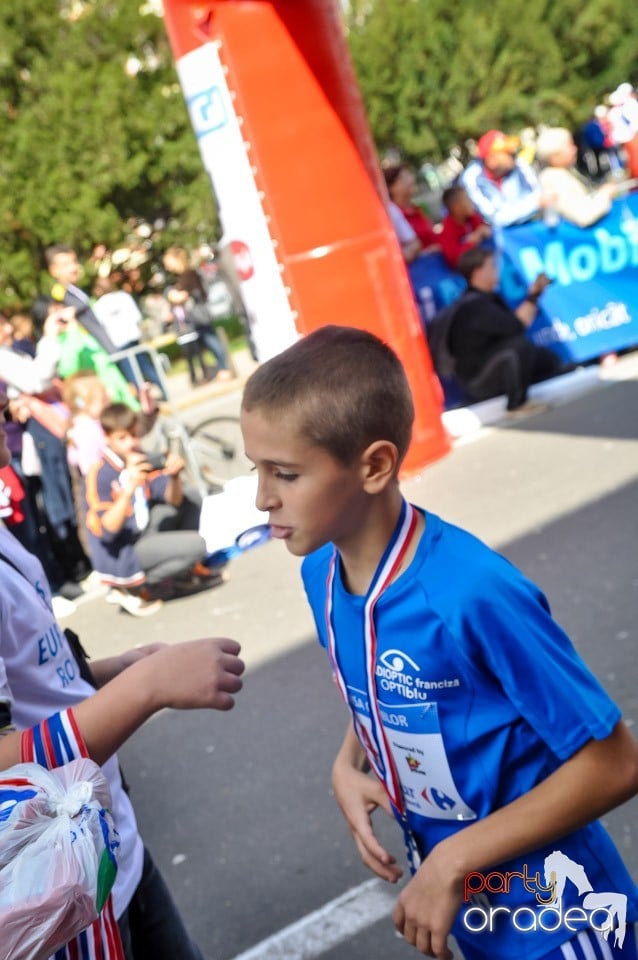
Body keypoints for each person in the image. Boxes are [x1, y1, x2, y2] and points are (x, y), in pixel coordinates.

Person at [240, 325, 638, 960]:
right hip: (467, 910)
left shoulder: (471, 592)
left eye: (284, 474)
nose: (262, 498)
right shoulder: (320, 571)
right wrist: (349, 763)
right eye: (255, 469)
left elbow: (615, 763)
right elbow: (381, 675)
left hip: (559, 922)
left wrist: (453, 859)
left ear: (373, 466)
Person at [0, 387, 245, 959]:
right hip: (53, 890)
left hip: (106, 846)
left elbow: (35, 672)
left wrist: (117, 669)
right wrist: (146, 688)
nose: (13, 418)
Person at [84, 402, 214, 615]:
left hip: (143, 530)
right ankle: (135, 587)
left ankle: (181, 572)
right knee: (199, 546)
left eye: (134, 435)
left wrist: (173, 476)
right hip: (123, 549)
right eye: (122, 438)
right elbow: (107, 532)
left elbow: (174, 501)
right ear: (107, 438)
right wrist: (129, 487)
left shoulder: (141, 457)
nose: (131, 443)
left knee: (190, 496)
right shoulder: (100, 473)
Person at [447, 247, 567, 415]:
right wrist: (534, 295)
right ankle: (517, 404)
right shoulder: (474, 306)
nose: (496, 270)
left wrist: (534, 295)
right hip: (477, 381)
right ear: (478, 272)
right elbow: (517, 325)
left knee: (545, 358)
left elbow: (514, 324)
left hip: (494, 365)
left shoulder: (488, 298)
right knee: (518, 348)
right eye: (492, 266)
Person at [162, 247, 232, 385]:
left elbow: (183, 296)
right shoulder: (184, 275)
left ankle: (224, 367)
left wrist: (170, 295)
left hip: (198, 314)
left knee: (210, 339)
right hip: (195, 316)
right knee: (205, 341)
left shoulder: (188, 274)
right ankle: (217, 368)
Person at [92, 275, 164, 393]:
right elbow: (136, 317)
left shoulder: (98, 306)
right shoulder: (123, 297)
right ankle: (163, 391)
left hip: (118, 343)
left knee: (132, 375)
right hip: (132, 337)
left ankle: (143, 401)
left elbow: (101, 327)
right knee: (146, 367)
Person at [460, 129, 546, 228]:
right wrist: (534, 205)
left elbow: (539, 194)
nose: (513, 154)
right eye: (507, 152)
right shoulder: (471, 178)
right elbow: (495, 219)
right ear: (491, 160)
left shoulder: (519, 164)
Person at [44, 244, 118, 355]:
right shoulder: (58, 292)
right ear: (54, 270)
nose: (73, 268)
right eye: (66, 265)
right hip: (93, 351)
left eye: (74, 262)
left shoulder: (75, 289)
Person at [536, 128, 618, 228]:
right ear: (555, 155)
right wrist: (605, 193)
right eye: (569, 146)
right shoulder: (553, 179)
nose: (575, 149)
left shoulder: (562, 173)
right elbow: (584, 215)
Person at [383, 164, 441, 263]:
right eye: (403, 178)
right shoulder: (393, 215)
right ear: (391, 188)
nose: (411, 180)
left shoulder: (417, 208)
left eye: (409, 175)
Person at [438, 185, 492, 269]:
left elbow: (486, 230)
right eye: (466, 199)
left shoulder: (472, 218)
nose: (471, 202)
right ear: (456, 207)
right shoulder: (447, 230)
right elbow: (454, 258)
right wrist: (473, 240)